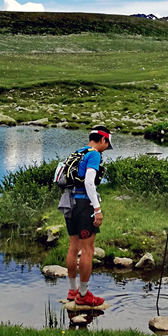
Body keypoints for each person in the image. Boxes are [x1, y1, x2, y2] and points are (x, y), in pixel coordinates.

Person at [62, 125, 112, 307]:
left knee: (73, 246)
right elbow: (90, 183)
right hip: (84, 206)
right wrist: (97, 210)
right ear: (103, 140)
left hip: (70, 203)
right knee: (88, 250)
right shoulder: (94, 155)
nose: (106, 148)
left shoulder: (78, 152)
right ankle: (83, 295)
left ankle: (72, 290)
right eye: (107, 144)